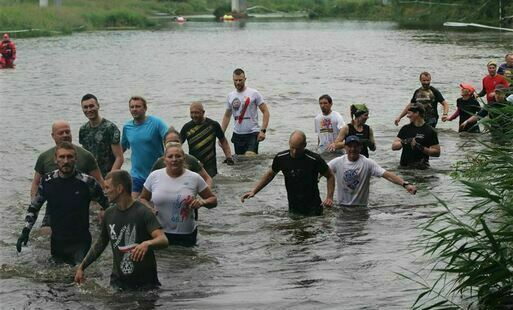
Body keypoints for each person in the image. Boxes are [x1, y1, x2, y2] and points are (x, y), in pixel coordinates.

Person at [17, 142, 109, 265]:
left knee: (78, 277)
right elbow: (34, 207)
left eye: (70, 157)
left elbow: (107, 205)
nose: (66, 161)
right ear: (55, 159)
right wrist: (25, 231)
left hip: (81, 242)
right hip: (57, 242)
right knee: (54, 281)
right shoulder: (47, 181)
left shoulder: (87, 182)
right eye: (62, 157)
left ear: (76, 159)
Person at [74, 170, 168, 290]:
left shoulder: (143, 212)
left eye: (108, 188)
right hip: (118, 282)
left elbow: (163, 239)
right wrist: (82, 267)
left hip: (145, 284)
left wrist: (147, 244)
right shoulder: (108, 214)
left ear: (119, 189)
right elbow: (100, 244)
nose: (105, 192)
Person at [241, 130, 334, 216]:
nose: (294, 152)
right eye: (292, 148)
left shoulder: (314, 159)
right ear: (289, 143)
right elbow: (270, 174)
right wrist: (254, 191)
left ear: (304, 145)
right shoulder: (281, 158)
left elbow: (330, 176)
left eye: (298, 149)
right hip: (293, 207)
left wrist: (329, 197)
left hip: (314, 208)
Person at [140, 143, 217, 247]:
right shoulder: (154, 176)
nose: (174, 159)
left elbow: (213, 200)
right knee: (163, 262)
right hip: (159, 233)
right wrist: (149, 209)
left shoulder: (194, 178)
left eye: (178, 156)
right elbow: (143, 198)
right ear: (164, 160)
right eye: (170, 156)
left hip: (186, 234)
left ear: (184, 158)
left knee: (185, 262)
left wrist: (203, 202)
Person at [328, 135, 416, 207]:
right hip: (342, 206)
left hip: (361, 207)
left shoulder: (367, 163)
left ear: (360, 147)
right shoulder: (337, 162)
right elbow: (323, 171)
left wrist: (405, 184)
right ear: (345, 147)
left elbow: (387, 175)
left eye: (355, 146)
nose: (352, 149)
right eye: (350, 146)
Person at [121, 96, 168, 197]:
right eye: (132, 107)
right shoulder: (127, 127)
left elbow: (169, 137)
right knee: (131, 205)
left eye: (138, 106)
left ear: (145, 108)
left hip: (157, 173)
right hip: (136, 175)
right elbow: (121, 149)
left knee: (156, 205)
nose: (134, 109)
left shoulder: (156, 123)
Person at [221, 68, 270, 155]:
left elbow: (265, 112)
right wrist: (221, 135)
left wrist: (263, 131)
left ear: (245, 79)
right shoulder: (230, 96)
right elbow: (227, 116)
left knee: (249, 157)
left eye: (240, 80)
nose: (238, 82)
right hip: (237, 134)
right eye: (235, 80)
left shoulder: (254, 93)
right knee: (240, 163)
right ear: (233, 80)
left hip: (253, 133)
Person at [180, 101, 234, 177]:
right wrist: (183, 160)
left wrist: (228, 157)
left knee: (212, 186)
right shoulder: (186, 127)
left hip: (210, 164)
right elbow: (178, 145)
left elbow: (223, 141)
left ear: (203, 112)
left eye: (197, 113)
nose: (194, 115)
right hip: (194, 164)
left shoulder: (213, 125)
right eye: (192, 113)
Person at [79, 93, 124, 177]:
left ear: (98, 106)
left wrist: (109, 179)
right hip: (90, 177)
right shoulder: (83, 129)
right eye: (85, 107)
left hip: (108, 176)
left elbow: (119, 158)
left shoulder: (110, 128)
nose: (89, 110)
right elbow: (85, 156)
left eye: (91, 106)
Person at [392, 103, 441, 169]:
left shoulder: (430, 130)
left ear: (417, 113)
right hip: (404, 167)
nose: (407, 116)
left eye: (409, 113)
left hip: (422, 168)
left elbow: (437, 152)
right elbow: (394, 147)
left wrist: (420, 147)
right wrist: (404, 142)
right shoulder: (405, 128)